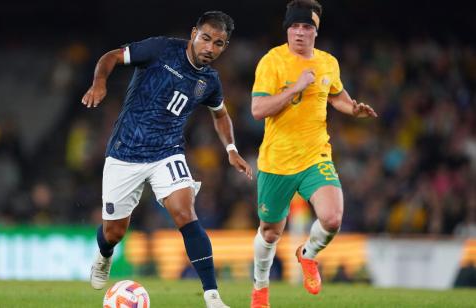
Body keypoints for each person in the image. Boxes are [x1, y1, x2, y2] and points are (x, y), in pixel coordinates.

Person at [81, 11, 252, 308]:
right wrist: (99, 82)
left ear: (225, 47)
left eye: (219, 43)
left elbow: (221, 115)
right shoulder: (160, 49)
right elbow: (110, 57)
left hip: (167, 152)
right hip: (126, 151)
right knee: (114, 232)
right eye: (206, 38)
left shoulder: (209, 81)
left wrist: (231, 149)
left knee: (186, 213)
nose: (210, 48)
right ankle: (104, 254)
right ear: (194, 33)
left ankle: (212, 296)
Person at [249, 1, 378, 307]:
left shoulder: (328, 63)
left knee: (332, 218)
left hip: (314, 156)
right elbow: (257, 110)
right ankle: (260, 289)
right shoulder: (272, 61)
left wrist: (353, 109)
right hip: (277, 161)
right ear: (287, 30)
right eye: (294, 27)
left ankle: (307, 255)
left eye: (307, 27)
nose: (299, 33)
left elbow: (337, 96)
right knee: (269, 233)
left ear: (315, 32)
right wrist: (295, 88)